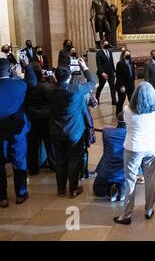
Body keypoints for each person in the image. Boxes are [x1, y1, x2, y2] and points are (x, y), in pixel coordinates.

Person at [45, 58, 96, 199]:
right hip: (74, 131)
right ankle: (72, 190)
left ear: (56, 76)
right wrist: (84, 66)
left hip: (56, 130)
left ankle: (61, 190)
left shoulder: (49, 91)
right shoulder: (77, 89)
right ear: (70, 76)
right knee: (74, 160)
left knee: (60, 160)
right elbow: (92, 82)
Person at [113, 82, 155, 225]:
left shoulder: (128, 111)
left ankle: (127, 214)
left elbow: (119, 116)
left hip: (133, 149)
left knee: (130, 180)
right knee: (150, 179)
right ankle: (149, 209)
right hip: (151, 148)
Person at [0, 56, 37, 208]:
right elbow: (33, 83)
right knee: (19, 160)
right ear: (10, 70)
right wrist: (27, 67)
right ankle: (21, 193)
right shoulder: (20, 84)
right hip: (18, 129)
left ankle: (2, 198)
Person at [26, 62, 55, 175]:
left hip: (32, 118)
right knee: (49, 143)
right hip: (45, 118)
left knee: (33, 145)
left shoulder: (26, 86)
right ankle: (53, 165)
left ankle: (33, 169)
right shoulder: (45, 86)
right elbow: (52, 100)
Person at [93, 113, 127, 201]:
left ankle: (111, 188)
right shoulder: (131, 134)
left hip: (106, 167)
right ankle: (121, 187)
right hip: (123, 167)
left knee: (98, 189)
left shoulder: (106, 132)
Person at [115, 49, 136, 117]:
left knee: (132, 100)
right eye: (126, 54)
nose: (128, 56)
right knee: (121, 100)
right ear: (123, 55)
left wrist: (133, 85)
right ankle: (118, 114)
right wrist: (122, 86)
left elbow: (132, 74)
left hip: (130, 85)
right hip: (122, 85)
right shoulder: (120, 64)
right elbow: (119, 76)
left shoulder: (131, 63)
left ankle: (134, 113)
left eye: (129, 54)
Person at [95, 39, 117, 105]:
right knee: (101, 86)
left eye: (107, 44)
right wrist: (102, 73)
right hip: (103, 74)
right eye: (105, 44)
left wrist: (114, 71)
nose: (106, 45)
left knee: (112, 87)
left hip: (110, 73)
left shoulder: (109, 52)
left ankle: (114, 100)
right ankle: (97, 98)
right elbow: (98, 64)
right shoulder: (99, 53)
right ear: (102, 45)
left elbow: (111, 62)